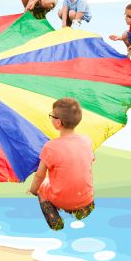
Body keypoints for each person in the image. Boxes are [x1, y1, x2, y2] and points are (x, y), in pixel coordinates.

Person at [28, 98, 95, 231]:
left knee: (42, 188)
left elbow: (39, 176)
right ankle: (83, 210)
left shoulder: (50, 146)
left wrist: (33, 191)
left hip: (61, 199)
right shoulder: (87, 141)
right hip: (86, 198)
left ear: (58, 122)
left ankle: (56, 222)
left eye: (51, 116)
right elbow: (90, 161)